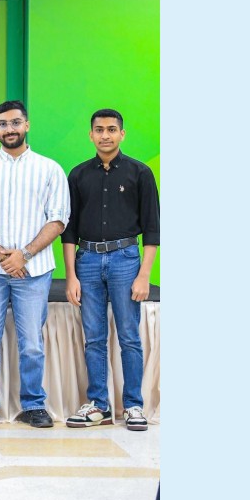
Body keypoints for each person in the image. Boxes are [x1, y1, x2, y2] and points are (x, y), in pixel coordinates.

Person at [0, 100, 69, 429]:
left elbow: (58, 220)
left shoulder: (50, 169)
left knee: (32, 344)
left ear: (27, 125)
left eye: (15, 123)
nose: (9, 129)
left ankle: (34, 404)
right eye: (2, 124)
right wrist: (2, 255)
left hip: (34, 272)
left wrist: (23, 254)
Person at [62, 108, 158, 432]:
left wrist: (144, 275)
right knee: (94, 337)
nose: (105, 135)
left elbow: (153, 229)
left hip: (125, 260)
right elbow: (69, 230)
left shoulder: (140, 173)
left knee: (129, 336)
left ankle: (133, 405)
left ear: (122, 134)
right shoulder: (78, 175)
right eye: (100, 129)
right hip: (87, 261)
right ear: (91, 135)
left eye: (112, 129)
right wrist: (71, 276)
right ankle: (98, 405)